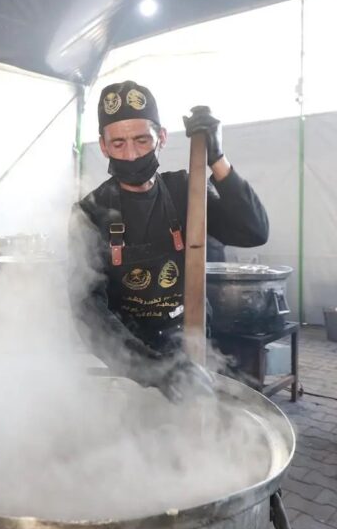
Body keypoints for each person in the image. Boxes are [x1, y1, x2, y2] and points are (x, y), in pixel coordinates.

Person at [68, 81, 269, 400]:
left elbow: (254, 231)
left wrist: (218, 159)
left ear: (161, 137)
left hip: (193, 345)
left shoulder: (186, 191)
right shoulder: (89, 213)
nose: (131, 154)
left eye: (142, 140)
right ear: (103, 146)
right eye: (118, 143)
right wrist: (155, 370)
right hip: (131, 362)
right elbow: (87, 310)